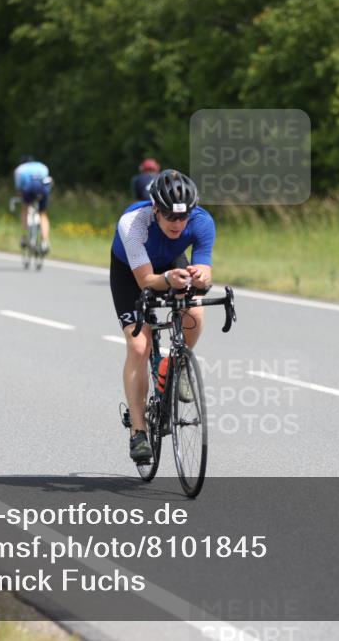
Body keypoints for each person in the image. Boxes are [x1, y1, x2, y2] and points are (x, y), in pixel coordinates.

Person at [110, 169, 214, 461]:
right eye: (170, 217)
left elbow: (205, 269)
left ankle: (176, 364)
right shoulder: (133, 223)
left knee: (194, 310)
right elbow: (146, 281)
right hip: (132, 272)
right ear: (155, 208)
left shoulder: (203, 222)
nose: (178, 224)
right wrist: (168, 279)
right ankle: (139, 431)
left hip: (170, 263)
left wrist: (200, 276)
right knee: (139, 345)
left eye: (183, 217)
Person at [13, 154, 52, 254]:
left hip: (29, 189)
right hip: (43, 189)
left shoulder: (20, 169)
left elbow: (19, 189)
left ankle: (25, 237)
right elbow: (47, 182)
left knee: (25, 209)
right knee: (42, 214)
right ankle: (45, 242)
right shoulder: (43, 166)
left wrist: (22, 199)